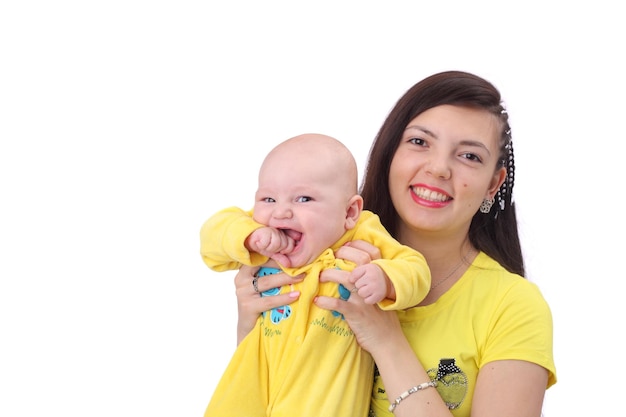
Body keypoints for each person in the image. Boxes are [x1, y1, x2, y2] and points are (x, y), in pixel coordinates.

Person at [231, 71, 557, 417]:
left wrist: (386, 340)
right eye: (419, 142)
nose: (439, 168)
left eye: (469, 156)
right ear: (390, 153)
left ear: (493, 184)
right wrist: (252, 329)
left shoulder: (513, 306)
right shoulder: (314, 260)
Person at [200, 133, 431, 417]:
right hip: (246, 399)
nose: (281, 211)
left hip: (323, 398)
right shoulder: (259, 232)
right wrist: (248, 237)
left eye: (304, 198)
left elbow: (415, 268)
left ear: (349, 211)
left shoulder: (361, 234)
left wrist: (385, 278)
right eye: (268, 198)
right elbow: (212, 238)